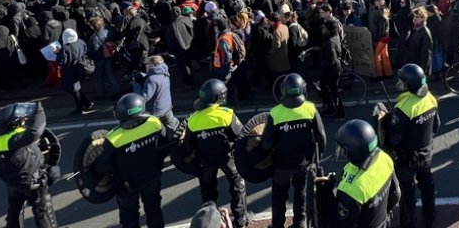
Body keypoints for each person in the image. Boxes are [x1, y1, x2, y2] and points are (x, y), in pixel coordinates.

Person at [93, 93, 170, 228]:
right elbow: (165, 147)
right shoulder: (155, 123)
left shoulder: (113, 138)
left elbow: (102, 166)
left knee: (129, 217)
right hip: (152, 177)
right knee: (154, 211)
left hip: (126, 185)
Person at [261, 73, 327, 228]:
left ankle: (277, 225)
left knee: (279, 197)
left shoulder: (274, 113)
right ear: (303, 90)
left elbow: (266, 143)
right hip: (303, 164)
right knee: (301, 195)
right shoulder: (310, 109)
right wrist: (318, 157)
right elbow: (321, 136)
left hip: (281, 166)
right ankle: (299, 223)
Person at [183, 79, 248, 228]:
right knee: (237, 185)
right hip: (227, 159)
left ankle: (208, 220)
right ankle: (240, 221)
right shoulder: (227, 115)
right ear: (221, 97)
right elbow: (241, 136)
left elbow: (188, 145)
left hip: (206, 161)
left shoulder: (193, 120)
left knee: (208, 189)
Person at [0, 102, 58, 228]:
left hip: (12, 181)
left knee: (14, 212)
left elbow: (20, 132)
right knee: (43, 210)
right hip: (32, 181)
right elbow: (34, 131)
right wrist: (39, 110)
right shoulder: (12, 140)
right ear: (12, 124)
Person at [387, 64, 440, 228]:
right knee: (427, 185)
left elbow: (394, 138)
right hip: (426, 154)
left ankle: (408, 225)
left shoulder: (403, 107)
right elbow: (436, 126)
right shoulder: (430, 98)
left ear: (408, 84)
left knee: (407, 195)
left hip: (407, 159)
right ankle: (430, 216)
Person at [333, 119, 401, 228]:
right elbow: (396, 194)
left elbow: (341, 224)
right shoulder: (384, 159)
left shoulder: (352, 190)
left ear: (352, 152)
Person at [134, 55, 178, 132]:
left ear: (152, 65)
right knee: (174, 126)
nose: (146, 66)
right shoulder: (165, 72)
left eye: (147, 64)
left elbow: (144, 97)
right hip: (167, 108)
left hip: (156, 111)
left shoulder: (151, 79)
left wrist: (136, 85)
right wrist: (143, 76)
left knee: (153, 131)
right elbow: (156, 80)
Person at [57, 28, 93, 115]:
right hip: (79, 67)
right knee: (76, 88)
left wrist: (57, 53)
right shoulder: (81, 42)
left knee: (73, 89)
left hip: (69, 70)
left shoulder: (65, 48)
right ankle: (87, 103)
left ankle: (80, 107)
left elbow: (61, 61)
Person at [318, 18, 345, 120]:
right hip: (331, 69)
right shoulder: (334, 36)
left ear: (328, 29)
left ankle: (340, 113)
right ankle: (330, 108)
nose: (322, 29)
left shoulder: (330, 41)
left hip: (331, 70)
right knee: (323, 87)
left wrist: (321, 64)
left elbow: (331, 59)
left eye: (324, 28)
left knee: (334, 92)